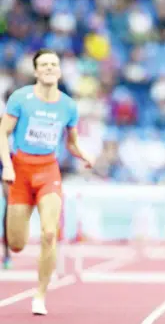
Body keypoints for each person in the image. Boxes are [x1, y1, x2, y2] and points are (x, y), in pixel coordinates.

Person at [0, 48, 94, 315]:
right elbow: (2, 133)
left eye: (54, 63)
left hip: (48, 171)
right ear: (36, 71)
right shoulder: (21, 98)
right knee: (16, 243)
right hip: (19, 171)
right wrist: (7, 166)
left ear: (60, 70)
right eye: (44, 64)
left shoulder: (68, 105)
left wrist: (83, 154)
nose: (50, 68)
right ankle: (16, 240)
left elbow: (72, 142)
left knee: (49, 233)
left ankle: (40, 295)